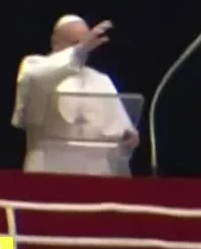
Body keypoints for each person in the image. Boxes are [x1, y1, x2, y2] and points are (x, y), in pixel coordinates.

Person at [11, 15, 140, 176]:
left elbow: (119, 136)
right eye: (75, 43)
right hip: (49, 171)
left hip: (96, 175)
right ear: (54, 41)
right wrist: (78, 51)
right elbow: (35, 78)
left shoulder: (101, 80)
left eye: (86, 42)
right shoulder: (35, 67)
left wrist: (127, 139)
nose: (85, 48)